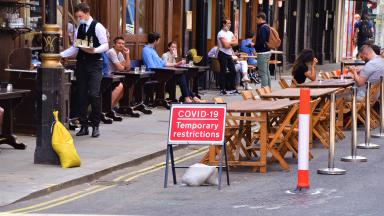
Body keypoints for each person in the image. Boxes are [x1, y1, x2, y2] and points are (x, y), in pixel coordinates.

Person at [60, 2, 108, 138]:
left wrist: (94, 50)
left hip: (95, 64)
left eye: (80, 16)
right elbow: (75, 47)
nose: (78, 19)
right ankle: (84, 126)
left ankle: (96, 126)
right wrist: (60, 55)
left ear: (87, 13)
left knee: (94, 94)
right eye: (77, 17)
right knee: (81, 95)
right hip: (81, 64)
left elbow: (105, 45)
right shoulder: (79, 28)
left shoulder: (98, 26)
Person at [142, 33, 205, 103]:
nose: (159, 42)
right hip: (155, 73)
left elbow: (163, 63)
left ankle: (190, 97)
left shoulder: (153, 50)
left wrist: (176, 63)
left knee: (181, 75)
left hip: (161, 72)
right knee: (180, 76)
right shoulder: (146, 50)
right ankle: (189, 97)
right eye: (158, 40)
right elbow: (151, 66)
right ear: (155, 41)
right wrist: (164, 68)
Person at [106, 36, 131, 110]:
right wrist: (122, 66)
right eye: (119, 43)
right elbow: (120, 68)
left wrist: (127, 54)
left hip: (114, 76)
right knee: (120, 86)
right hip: (106, 76)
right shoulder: (112, 52)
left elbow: (127, 66)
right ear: (114, 44)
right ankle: (107, 108)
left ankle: (111, 107)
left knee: (125, 86)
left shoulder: (119, 53)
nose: (121, 45)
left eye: (123, 44)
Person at [217, 17, 238, 95]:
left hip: (229, 54)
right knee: (223, 71)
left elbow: (236, 42)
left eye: (230, 23)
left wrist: (229, 43)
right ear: (224, 24)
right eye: (228, 23)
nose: (230, 25)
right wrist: (231, 43)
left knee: (233, 71)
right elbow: (225, 46)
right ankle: (222, 89)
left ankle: (232, 88)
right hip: (222, 53)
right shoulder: (220, 33)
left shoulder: (230, 33)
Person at [255, 12, 271, 87]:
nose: (256, 21)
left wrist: (254, 45)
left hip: (262, 53)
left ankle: (264, 92)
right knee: (266, 72)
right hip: (267, 51)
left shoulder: (262, 28)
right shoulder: (267, 26)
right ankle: (268, 90)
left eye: (257, 19)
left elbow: (262, 41)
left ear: (260, 19)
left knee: (263, 73)